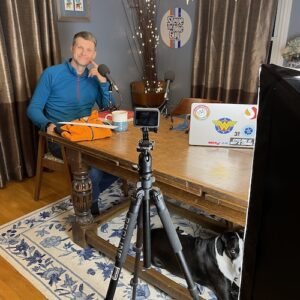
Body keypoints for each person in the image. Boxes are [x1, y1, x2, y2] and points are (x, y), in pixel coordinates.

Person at [27, 31, 118, 215]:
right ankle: (89, 209)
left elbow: (108, 110)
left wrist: (102, 83)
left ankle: (86, 193)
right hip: (61, 136)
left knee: (123, 164)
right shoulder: (51, 74)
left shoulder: (94, 78)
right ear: (72, 49)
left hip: (89, 134)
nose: (84, 53)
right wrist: (48, 125)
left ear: (94, 55)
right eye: (80, 48)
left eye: (89, 50)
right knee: (91, 169)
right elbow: (33, 109)